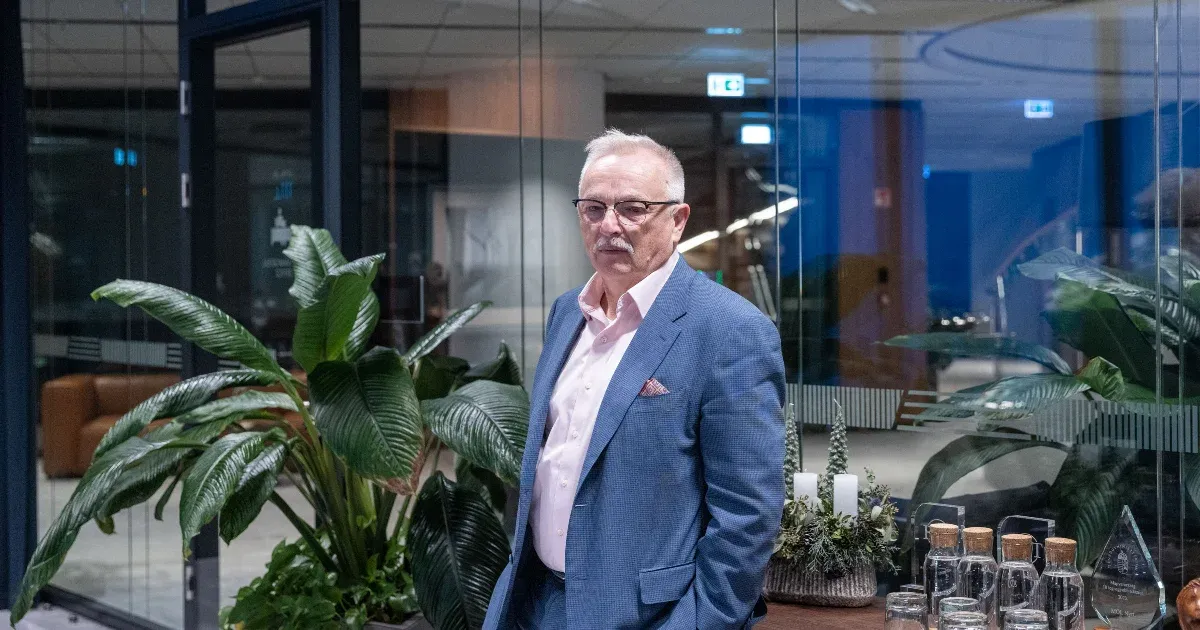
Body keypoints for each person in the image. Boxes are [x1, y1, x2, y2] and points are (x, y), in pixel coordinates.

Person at [483, 129, 786, 629]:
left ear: (677, 220)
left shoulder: (730, 331)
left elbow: (748, 516)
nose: (609, 226)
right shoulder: (566, 312)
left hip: (649, 616)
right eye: (594, 208)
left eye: (633, 208)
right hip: (535, 602)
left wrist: (698, 623)